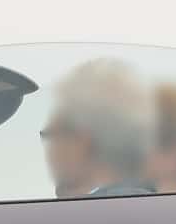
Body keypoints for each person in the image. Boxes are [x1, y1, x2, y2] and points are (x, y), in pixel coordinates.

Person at [39, 58, 156, 197]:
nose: (49, 152)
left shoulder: (92, 213)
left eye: (50, 136)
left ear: (81, 143)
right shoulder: (150, 204)